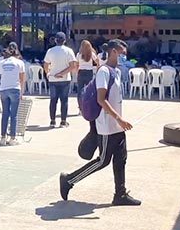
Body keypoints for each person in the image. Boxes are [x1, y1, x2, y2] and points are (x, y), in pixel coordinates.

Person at [58, 39, 140, 206]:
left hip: (117, 126)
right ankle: (69, 180)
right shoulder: (104, 71)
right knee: (103, 160)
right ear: (114, 52)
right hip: (106, 126)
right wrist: (119, 118)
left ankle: (120, 194)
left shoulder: (115, 72)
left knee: (121, 159)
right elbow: (101, 99)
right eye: (123, 53)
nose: (125, 57)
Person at [43, 32, 78, 128]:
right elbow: (73, 66)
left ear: (55, 40)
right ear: (65, 40)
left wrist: (48, 73)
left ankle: (52, 121)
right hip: (65, 79)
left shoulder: (50, 51)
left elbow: (46, 64)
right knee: (64, 101)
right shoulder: (69, 51)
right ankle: (63, 121)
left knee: (53, 100)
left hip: (53, 79)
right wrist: (62, 73)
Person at [0, 42, 26, 146]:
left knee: (5, 114)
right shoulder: (20, 62)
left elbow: (0, 75)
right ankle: (12, 138)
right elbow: (22, 79)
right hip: (15, 88)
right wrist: (22, 92)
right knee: (13, 115)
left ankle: (3, 137)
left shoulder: (3, 62)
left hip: (4, 89)